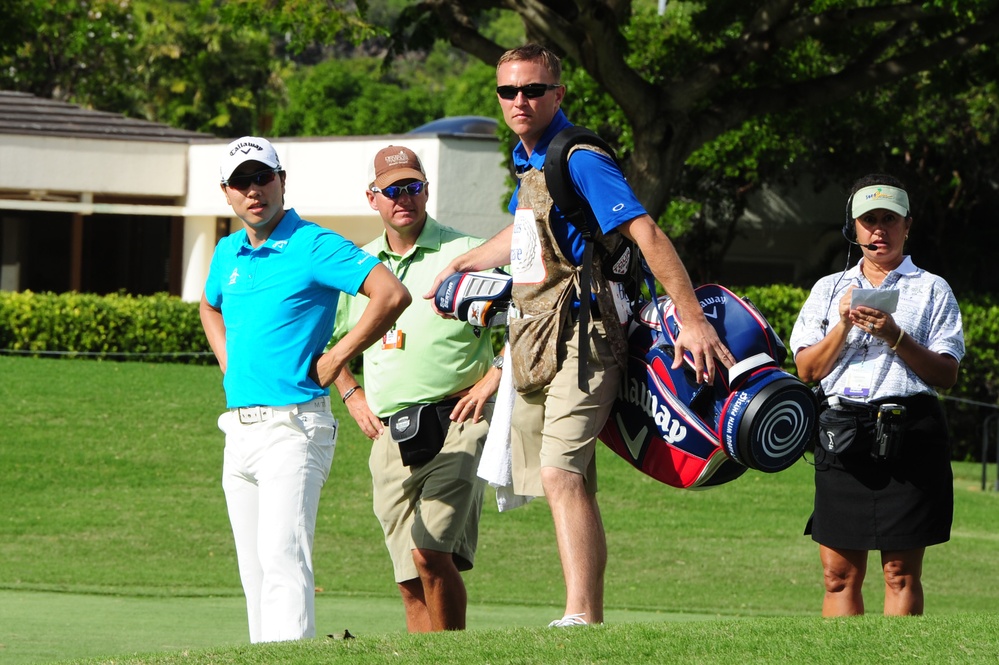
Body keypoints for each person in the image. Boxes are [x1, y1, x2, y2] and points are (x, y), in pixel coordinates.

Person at [425, 44, 734, 627]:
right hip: (544, 337)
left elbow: (646, 232)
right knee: (570, 478)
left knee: (560, 472)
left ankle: (581, 617)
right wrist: (464, 262)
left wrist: (690, 317)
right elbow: (524, 233)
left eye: (534, 90)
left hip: (588, 336)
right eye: (508, 91)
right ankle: (582, 612)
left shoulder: (579, 156)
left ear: (558, 94)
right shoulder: (530, 157)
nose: (520, 100)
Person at [199, 136, 411, 643]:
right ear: (226, 192)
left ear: (281, 182)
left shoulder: (313, 244)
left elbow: (391, 293)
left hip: (295, 427)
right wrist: (230, 365)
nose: (254, 191)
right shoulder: (228, 251)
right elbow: (210, 307)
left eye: (263, 177)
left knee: (283, 561)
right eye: (242, 182)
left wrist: (338, 357)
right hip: (241, 431)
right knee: (255, 574)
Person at [329, 145, 501, 632]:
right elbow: (327, 344)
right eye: (392, 189)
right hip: (389, 433)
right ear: (373, 198)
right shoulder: (357, 267)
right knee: (408, 578)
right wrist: (350, 393)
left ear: (427, 190)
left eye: (413, 186)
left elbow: (533, 316)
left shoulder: (467, 252)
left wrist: (495, 377)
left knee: (430, 553)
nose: (403, 197)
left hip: (459, 421)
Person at [789, 173, 965, 617]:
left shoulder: (932, 289)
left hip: (909, 432)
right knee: (837, 575)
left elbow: (947, 375)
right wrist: (844, 323)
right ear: (854, 229)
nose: (879, 231)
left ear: (908, 225)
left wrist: (894, 335)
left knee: (900, 573)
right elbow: (807, 370)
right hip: (842, 433)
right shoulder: (829, 289)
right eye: (869, 221)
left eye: (890, 219)